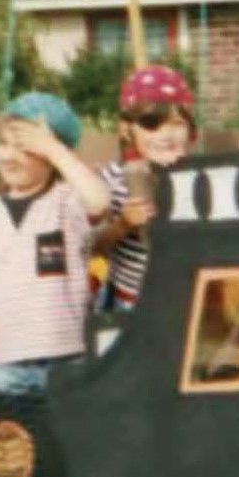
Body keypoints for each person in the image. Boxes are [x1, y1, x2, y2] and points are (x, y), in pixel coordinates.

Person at [0, 93, 109, 395]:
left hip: (67, 360)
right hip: (7, 365)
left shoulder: (68, 202)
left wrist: (52, 148)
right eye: (4, 145)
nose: (8, 156)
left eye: (24, 147)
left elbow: (99, 200)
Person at [92, 65, 197, 311]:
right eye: (151, 124)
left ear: (191, 129)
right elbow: (92, 245)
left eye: (177, 123)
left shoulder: (198, 177)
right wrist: (123, 225)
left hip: (186, 300)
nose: (166, 134)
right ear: (127, 130)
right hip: (131, 302)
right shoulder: (112, 179)